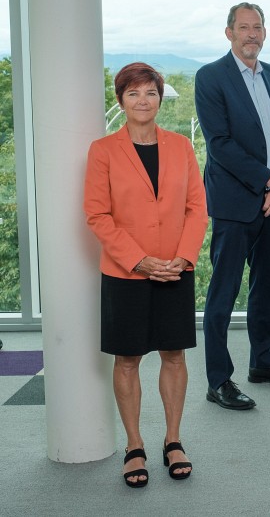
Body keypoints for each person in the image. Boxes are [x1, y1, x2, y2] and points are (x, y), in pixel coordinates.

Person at [83, 63, 209, 487]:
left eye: (150, 93)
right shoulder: (103, 150)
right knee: (128, 359)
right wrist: (138, 260)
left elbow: (197, 208)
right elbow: (97, 215)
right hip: (126, 273)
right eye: (133, 93)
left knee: (174, 355)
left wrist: (184, 257)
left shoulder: (181, 147)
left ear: (160, 98)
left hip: (175, 269)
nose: (143, 100)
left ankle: (173, 440)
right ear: (120, 100)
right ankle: (134, 445)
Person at [195, 2, 270, 411]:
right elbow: (220, 145)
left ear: (265, 33)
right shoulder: (210, 77)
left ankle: (262, 362)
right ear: (229, 33)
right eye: (244, 27)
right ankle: (218, 380)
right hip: (234, 204)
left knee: (266, 288)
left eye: (257, 27)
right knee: (223, 293)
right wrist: (269, 181)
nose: (251, 34)